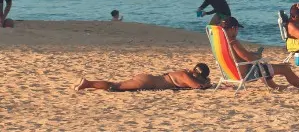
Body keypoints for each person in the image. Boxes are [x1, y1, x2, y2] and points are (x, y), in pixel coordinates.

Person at [220, 17, 299, 92]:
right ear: (233, 28)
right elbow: (248, 58)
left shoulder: (222, 42)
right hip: (246, 73)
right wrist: (258, 56)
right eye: (237, 28)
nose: (237, 31)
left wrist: (253, 55)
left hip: (231, 72)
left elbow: (239, 56)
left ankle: (275, 87)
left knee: (265, 66)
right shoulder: (233, 42)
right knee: (284, 69)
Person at [74, 63, 211, 91]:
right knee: (114, 86)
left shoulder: (184, 73)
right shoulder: (185, 76)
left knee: (116, 85)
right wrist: (207, 83)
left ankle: (88, 83)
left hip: (149, 79)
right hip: (148, 82)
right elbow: (198, 87)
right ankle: (87, 83)